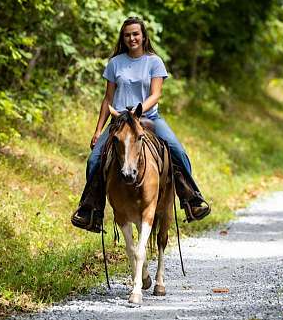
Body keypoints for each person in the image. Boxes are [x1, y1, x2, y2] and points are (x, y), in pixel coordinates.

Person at [71, 16, 210, 232]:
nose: (131, 38)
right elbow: (108, 99)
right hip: (119, 120)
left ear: (143, 36)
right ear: (123, 37)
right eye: (127, 35)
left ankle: (191, 199)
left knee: (178, 151)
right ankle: (92, 210)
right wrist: (98, 130)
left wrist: (137, 112)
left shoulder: (154, 62)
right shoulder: (115, 63)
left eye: (135, 34)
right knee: (94, 160)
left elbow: (155, 95)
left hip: (148, 118)